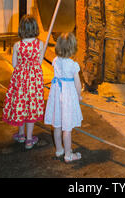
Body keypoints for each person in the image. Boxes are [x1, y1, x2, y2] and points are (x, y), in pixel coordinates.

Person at [2, 14, 44, 150]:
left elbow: (14, 64)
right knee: (31, 107)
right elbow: (39, 62)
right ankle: (30, 139)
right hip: (34, 81)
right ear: (35, 27)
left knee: (21, 104)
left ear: (21, 29)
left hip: (20, 80)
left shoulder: (17, 45)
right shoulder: (40, 44)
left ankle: (21, 135)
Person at [44, 32, 83, 163]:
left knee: (57, 125)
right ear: (73, 48)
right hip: (67, 98)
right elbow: (77, 84)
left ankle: (59, 149)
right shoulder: (73, 65)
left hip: (56, 96)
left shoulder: (55, 60)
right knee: (67, 128)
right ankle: (68, 155)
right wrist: (79, 95)